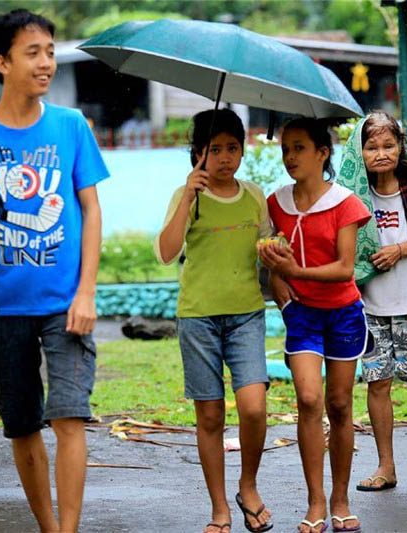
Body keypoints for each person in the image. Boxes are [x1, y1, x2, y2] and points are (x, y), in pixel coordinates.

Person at [0, 9, 108, 532]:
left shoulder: (71, 126)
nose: (47, 63)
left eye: (51, 52)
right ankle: (48, 527)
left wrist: (86, 292)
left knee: (69, 415)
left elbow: (92, 209)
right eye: (33, 53)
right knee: (22, 424)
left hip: (65, 306)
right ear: (2, 62)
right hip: (4, 308)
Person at [153, 108, 273, 533]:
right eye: (214, 149)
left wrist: (282, 275)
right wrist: (187, 196)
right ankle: (220, 509)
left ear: (242, 150)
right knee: (210, 416)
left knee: (254, 408)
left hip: (246, 315)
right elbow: (167, 252)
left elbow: (269, 255)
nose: (225, 158)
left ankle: (249, 486)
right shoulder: (189, 196)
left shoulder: (255, 196)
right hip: (198, 319)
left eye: (232, 148)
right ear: (198, 154)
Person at [259, 118, 371, 533]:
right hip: (302, 313)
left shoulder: (345, 203)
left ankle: (341, 498)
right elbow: (271, 254)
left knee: (339, 405)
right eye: (286, 148)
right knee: (309, 399)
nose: (290, 157)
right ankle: (316, 502)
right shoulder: (276, 203)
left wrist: (294, 270)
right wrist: (274, 273)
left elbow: (345, 270)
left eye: (299, 148)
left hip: (342, 313)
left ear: (322, 153)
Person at [336, 111, 407, 491]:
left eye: (389, 145)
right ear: (360, 152)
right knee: (377, 383)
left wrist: (400, 249)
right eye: (372, 147)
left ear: (401, 147)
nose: (381, 153)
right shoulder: (351, 190)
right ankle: (386, 466)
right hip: (369, 304)